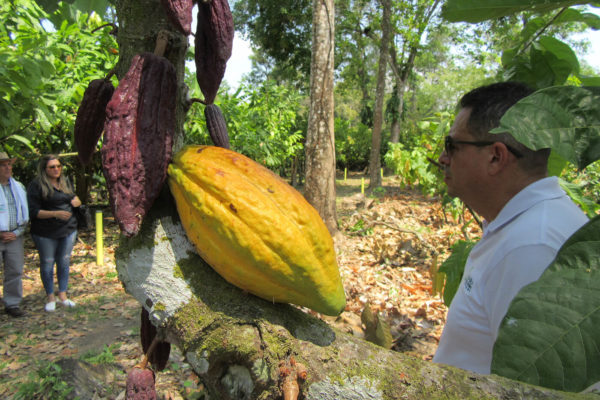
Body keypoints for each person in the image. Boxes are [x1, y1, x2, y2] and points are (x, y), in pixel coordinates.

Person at [433, 82, 589, 374]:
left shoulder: (532, 247)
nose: (443, 158)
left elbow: (536, 388)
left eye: (452, 146)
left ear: (496, 156)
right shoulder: (519, 225)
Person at [27, 155, 81, 312]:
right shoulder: (36, 186)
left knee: (64, 261)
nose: (56, 169)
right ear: (44, 169)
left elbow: (72, 196)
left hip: (68, 229)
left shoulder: (65, 181)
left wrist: (77, 200)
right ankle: (50, 296)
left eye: (58, 166)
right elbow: (33, 212)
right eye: (52, 167)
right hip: (45, 231)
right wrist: (55, 214)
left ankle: (63, 294)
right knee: (48, 262)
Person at [0, 152, 29, 317]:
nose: (7, 168)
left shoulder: (18, 187)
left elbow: (24, 215)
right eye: (3, 165)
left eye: (9, 164)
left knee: (15, 270)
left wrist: (16, 232)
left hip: (14, 237)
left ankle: (12, 304)